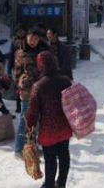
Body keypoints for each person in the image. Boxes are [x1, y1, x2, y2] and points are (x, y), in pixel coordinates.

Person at [26, 51, 72, 188]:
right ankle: (62, 183)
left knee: (50, 158)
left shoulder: (39, 85)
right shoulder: (65, 81)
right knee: (64, 155)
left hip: (48, 129)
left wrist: (29, 128)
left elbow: (32, 112)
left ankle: (49, 184)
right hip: (64, 125)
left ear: (40, 65)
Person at [13, 54, 39, 158]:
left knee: (34, 124)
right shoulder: (21, 68)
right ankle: (18, 149)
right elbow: (20, 83)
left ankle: (31, 147)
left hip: (34, 97)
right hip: (26, 98)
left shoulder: (32, 66)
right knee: (24, 123)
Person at [9, 24, 28, 113]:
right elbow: (11, 55)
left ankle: (25, 105)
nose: (20, 33)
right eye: (18, 31)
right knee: (18, 87)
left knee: (26, 86)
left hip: (26, 66)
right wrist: (9, 68)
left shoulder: (28, 40)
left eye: (22, 31)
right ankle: (18, 106)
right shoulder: (14, 41)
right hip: (16, 67)